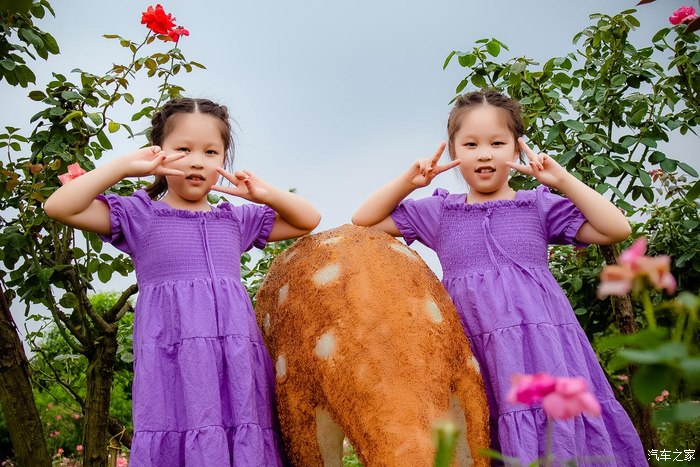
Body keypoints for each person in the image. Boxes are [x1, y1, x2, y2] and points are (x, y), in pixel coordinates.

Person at [352, 90, 647, 466]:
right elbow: (364, 220)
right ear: (454, 151)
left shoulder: (537, 206)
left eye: (497, 142)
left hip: (543, 341)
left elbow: (616, 228)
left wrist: (564, 181)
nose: (485, 153)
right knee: (484, 427)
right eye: (471, 144)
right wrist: (410, 183)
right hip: (475, 344)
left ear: (517, 149)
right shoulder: (440, 212)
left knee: (555, 426)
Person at [45, 98, 320, 466]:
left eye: (211, 152)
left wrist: (263, 193)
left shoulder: (235, 221)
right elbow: (59, 206)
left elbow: (308, 219)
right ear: (159, 153)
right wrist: (124, 168)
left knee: (244, 434)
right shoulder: (140, 215)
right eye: (183, 149)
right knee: (180, 432)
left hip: (236, 361)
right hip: (173, 362)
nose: (197, 161)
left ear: (224, 159)